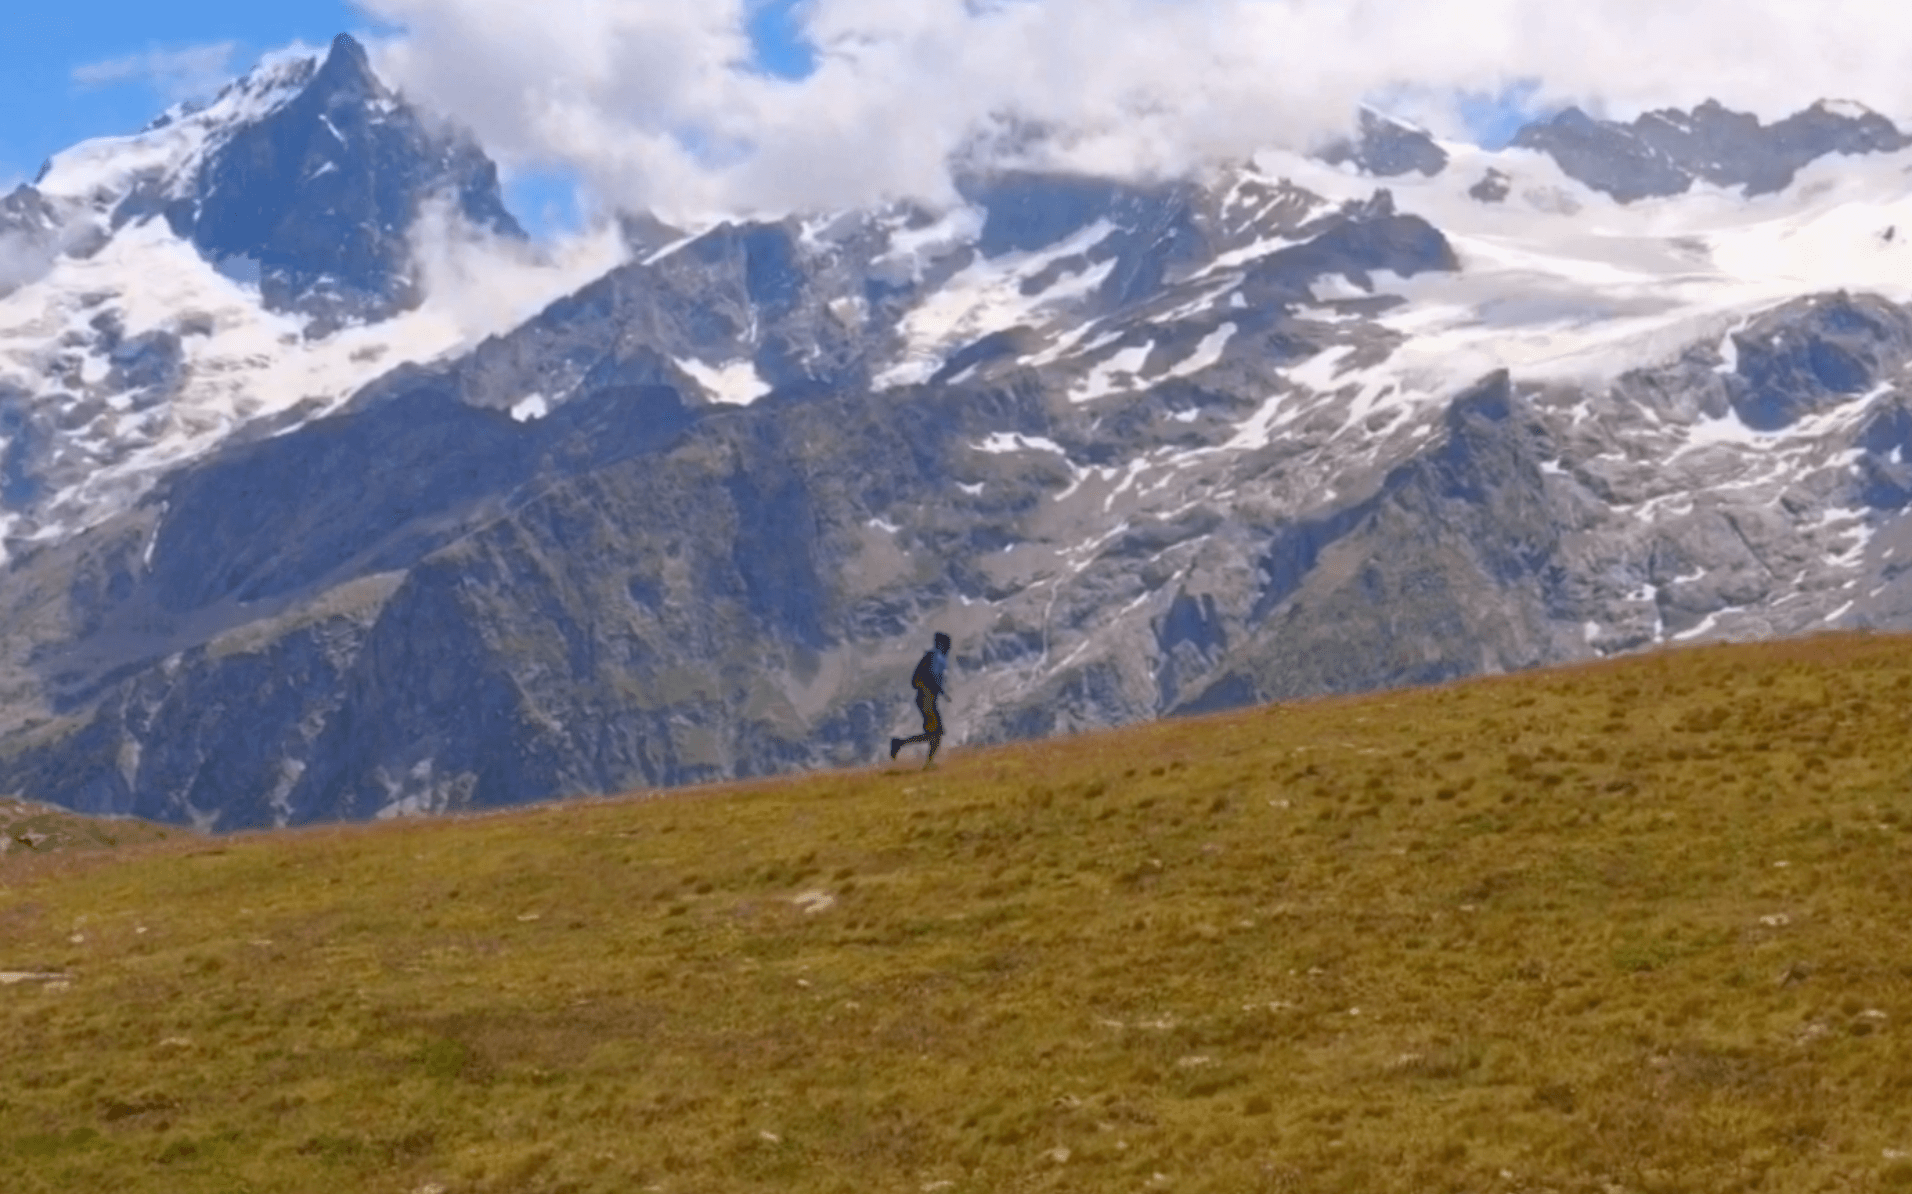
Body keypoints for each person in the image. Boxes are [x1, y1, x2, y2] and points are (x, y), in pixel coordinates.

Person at [891, 632, 952, 768]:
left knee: (935, 733)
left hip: (927, 698)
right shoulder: (934, 656)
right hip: (926, 698)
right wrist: (938, 690)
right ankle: (904, 746)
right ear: (942, 644)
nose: (949, 647)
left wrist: (940, 691)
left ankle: (904, 746)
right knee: (936, 733)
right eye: (947, 644)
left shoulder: (935, 657)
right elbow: (926, 677)